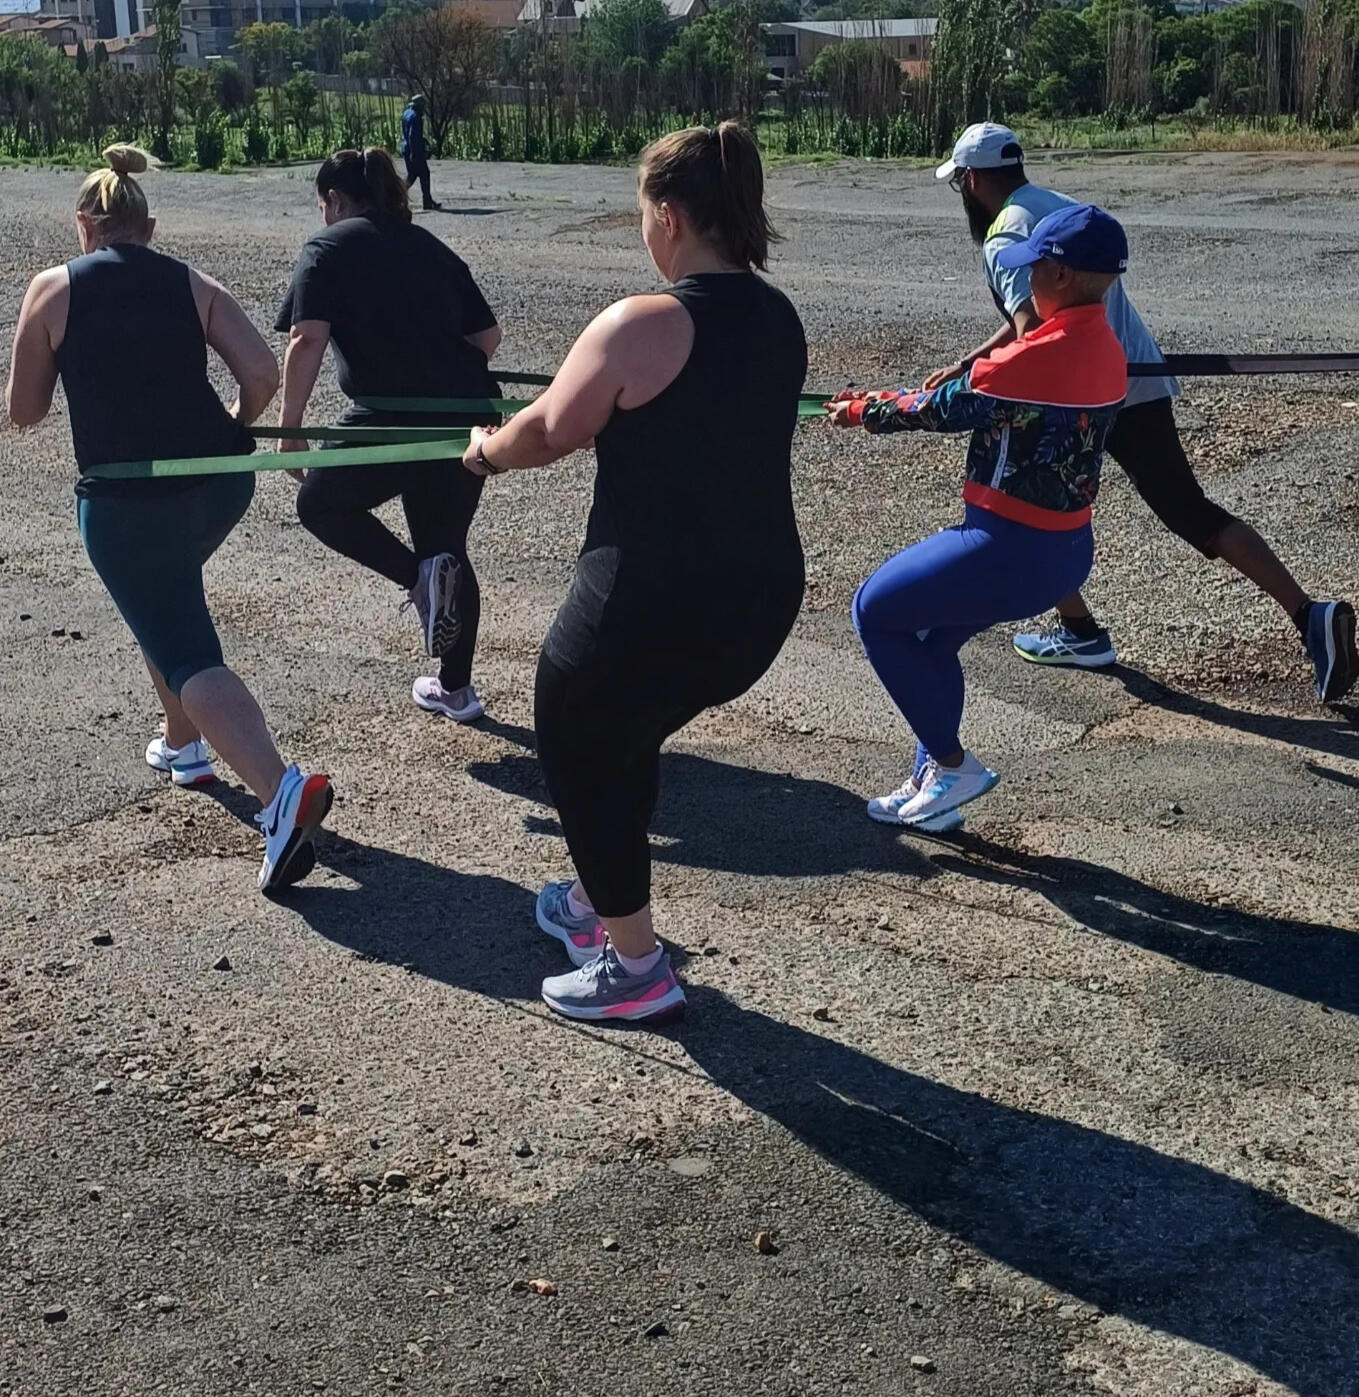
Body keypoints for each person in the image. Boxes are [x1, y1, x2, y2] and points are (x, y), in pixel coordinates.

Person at [461, 123, 807, 1024]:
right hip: (758, 597)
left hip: (651, 595)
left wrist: (482, 453)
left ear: (671, 214)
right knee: (630, 731)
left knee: (576, 733)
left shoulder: (643, 321)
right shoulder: (777, 314)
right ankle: (596, 896)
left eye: (642, 215)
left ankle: (637, 965)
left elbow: (548, 430)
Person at [929, 122, 1357, 704]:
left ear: (972, 180)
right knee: (1188, 508)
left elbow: (1034, 332)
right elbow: (1037, 310)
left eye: (961, 186)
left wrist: (974, 388)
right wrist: (969, 358)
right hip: (1133, 377)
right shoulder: (1056, 208)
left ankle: (1081, 633)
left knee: (1026, 507)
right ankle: (1310, 615)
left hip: (1073, 392)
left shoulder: (1003, 237)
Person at [5, 145, 332, 892]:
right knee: (165, 601)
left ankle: (280, 794)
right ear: (147, 225)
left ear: (84, 225)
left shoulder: (52, 289)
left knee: (184, 644)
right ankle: (183, 745)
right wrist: (230, 421)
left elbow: (24, 411)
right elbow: (259, 371)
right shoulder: (194, 283)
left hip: (124, 500)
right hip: (216, 486)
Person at [831, 204, 1129, 831]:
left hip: (1004, 547)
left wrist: (863, 409)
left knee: (874, 612)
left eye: (1035, 271)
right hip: (1066, 552)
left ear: (1063, 277)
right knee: (934, 640)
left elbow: (938, 409)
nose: (1025, 285)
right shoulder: (1107, 346)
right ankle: (937, 787)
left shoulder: (1030, 356)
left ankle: (951, 763)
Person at [276, 147, 502, 722]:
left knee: (321, 504)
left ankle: (418, 580)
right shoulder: (426, 244)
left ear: (332, 200)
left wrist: (290, 428)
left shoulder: (327, 246)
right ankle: (456, 689)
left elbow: (306, 339)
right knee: (445, 544)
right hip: (466, 417)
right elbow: (487, 337)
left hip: (388, 416)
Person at [400, 95, 440, 212]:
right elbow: (413, 136)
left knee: (412, 175)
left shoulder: (407, 113)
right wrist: (415, 153)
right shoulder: (416, 117)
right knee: (424, 174)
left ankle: (398, 195)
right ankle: (426, 201)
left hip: (406, 148)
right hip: (415, 150)